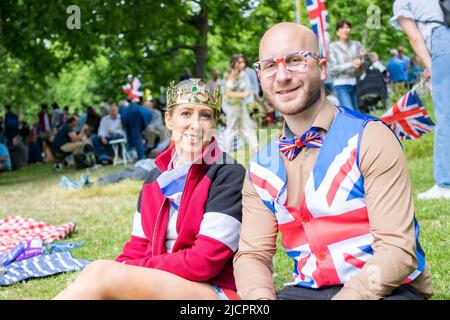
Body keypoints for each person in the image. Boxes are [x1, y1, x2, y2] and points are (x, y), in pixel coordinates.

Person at [233, 22, 432, 300]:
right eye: (269, 66)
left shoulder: (369, 137)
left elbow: (398, 251)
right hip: (307, 291)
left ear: (322, 68)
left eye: (294, 61)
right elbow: (253, 254)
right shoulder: (261, 167)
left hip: (385, 288)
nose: (282, 76)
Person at [54, 78, 245, 300]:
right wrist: (126, 268)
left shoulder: (228, 174)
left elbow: (203, 263)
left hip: (215, 290)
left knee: (100, 274)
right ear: (169, 119)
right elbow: (138, 246)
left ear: (213, 124)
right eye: (186, 113)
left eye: (205, 115)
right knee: (98, 276)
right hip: (162, 282)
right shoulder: (154, 178)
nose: (196, 124)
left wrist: (129, 270)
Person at [390, 0, 450, 199]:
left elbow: (415, 37)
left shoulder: (401, 3)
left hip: (441, 39)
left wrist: (433, 70)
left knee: (446, 114)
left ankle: (445, 183)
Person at [222, 54, 258, 153]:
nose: (243, 64)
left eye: (243, 62)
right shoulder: (232, 75)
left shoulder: (242, 74)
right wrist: (243, 94)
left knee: (247, 125)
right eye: (240, 62)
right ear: (235, 64)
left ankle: (254, 147)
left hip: (241, 105)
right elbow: (228, 92)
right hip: (232, 106)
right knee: (232, 127)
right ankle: (226, 150)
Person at [328, 20, 364, 112]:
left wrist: (363, 61)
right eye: (342, 28)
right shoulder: (333, 47)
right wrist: (351, 64)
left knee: (357, 112)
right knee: (350, 112)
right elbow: (332, 69)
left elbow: (362, 64)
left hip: (356, 83)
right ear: (337, 32)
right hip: (341, 84)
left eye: (347, 27)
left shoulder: (357, 45)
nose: (345, 30)